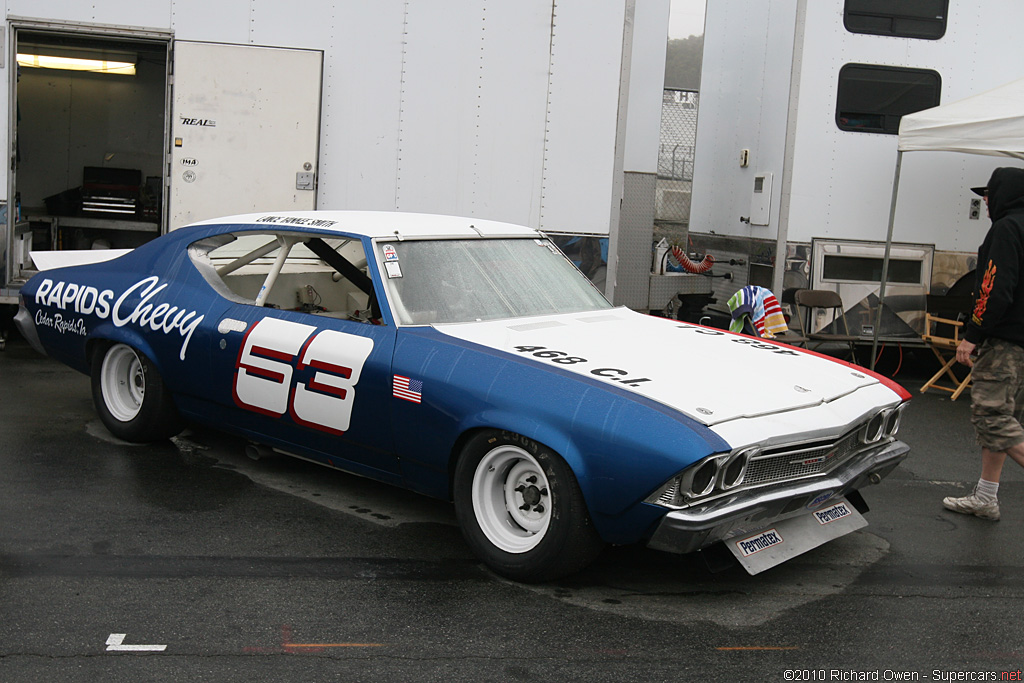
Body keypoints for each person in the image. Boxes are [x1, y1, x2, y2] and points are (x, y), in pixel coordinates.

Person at [942, 167, 1024, 520]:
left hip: (1005, 343)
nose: (986, 201)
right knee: (1008, 420)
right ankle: (986, 497)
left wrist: (972, 336)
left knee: (992, 418)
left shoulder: (1007, 228)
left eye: (989, 194)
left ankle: (986, 497)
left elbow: (994, 288)